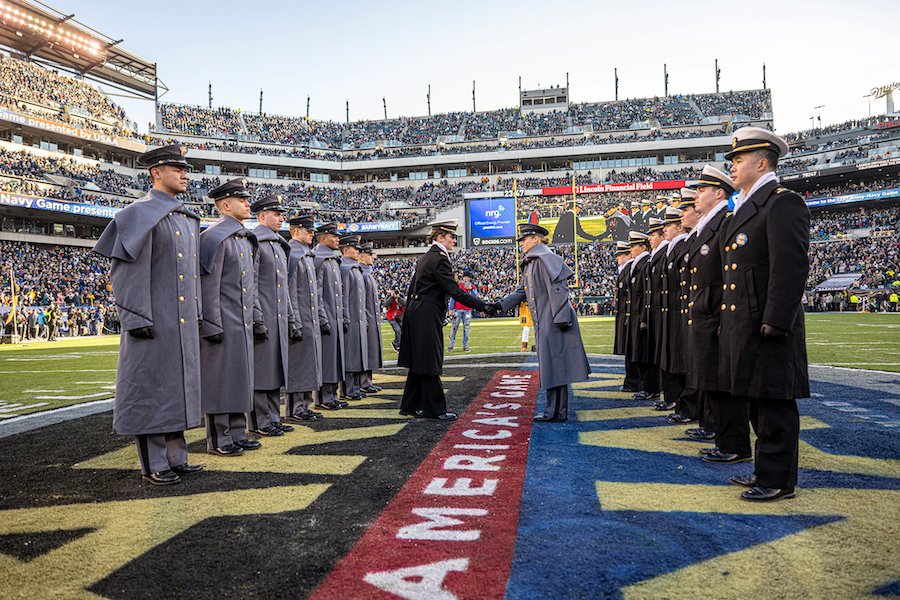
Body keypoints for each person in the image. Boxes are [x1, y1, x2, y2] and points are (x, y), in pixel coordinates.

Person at [92, 144, 203, 486]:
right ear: (156, 172)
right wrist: (137, 317)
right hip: (154, 321)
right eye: (177, 168)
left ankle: (175, 457)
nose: (185, 174)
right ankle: (154, 462)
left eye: (186, 169)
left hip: (180, 322)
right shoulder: (138, 214)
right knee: (151, 390)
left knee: (176, 390)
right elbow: (126, 272)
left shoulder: (183, 217)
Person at [719, 127, 810, 502]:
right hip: (747, 322)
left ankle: (778, 480)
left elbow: (790, 267)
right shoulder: (750, 203)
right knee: (756, 399)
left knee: (773, 403)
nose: (734, 167)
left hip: (767, 324)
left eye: (739, 160)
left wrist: (774, 321)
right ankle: (764, 470)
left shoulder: (781, 202)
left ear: (761, 162)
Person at [493, 223, 591, 422]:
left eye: (524, 239)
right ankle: (553, 411)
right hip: (545, 321)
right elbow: (522, 291)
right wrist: (498, 306)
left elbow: (559, 289)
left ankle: (555, 412)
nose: (521, 244)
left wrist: (561, 319)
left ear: (535, 239)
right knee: (551, 367)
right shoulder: (533, 260)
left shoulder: (546, 258)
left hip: (553, 320)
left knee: (557, 368)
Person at [398, 219, 492, 420]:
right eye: (451, 237)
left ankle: (410, 405)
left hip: (417, 311)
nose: (454, 241)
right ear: (440, 236)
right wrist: (483, 305)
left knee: (419, 360)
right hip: (426, 312)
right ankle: (435, 410)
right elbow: (455, 290)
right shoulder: (439, 258)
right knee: (429, 359)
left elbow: (412, 288)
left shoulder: (427, 256)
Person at [199, 178, 261, 456]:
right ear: (225, 205)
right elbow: (208, 286)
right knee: (219, 381)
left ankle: (237, 432)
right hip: (222, 321)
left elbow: (252, 286)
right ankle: (219, 438)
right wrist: (211, 322)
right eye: (242, 200)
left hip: (242, 321)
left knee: (240, 378)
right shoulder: (213, 237)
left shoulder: (244, 238)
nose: (248, 203)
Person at [249, 195, 297, 436]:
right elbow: (252, 284)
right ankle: (259, 422)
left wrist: (289, 317)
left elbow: (283, 288)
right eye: (276, 214)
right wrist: (257, 317)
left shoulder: (278, 244)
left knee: (275, 370)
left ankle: (273, 418)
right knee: (261, 372)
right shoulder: (256, 241)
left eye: (281, 214)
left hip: (277, 318)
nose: (281, 218)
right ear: (261, 216)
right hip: (264, 318)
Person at [284, 214, 325, 422]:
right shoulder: (292, 254)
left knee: (310, 365)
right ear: (295, 231)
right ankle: (294, 408)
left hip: (310, 320)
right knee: (298, 366)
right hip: (300, 320)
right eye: (308, 230)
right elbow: (289, 291)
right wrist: (294, 321)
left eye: (312, 230)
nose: (312, 234)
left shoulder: (306, 255)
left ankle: (305, 405)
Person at [313, 222, 347, 411]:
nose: (337, 239)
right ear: (323, 238)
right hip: (326, 317)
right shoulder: (319, 258)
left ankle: (332, 395)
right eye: (334, 236)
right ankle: (324, 398)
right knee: (327, 360)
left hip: (335, 317)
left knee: (335, 359)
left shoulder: (332, 259)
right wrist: (322, 318)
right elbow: (316, 292)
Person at [339, 234, 368, 401]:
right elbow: (343, 296)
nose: (358, 251)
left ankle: (355, 388)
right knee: (350, 356)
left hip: (358, 319)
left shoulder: (355, 268)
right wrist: (345, 318)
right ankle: (348, 390)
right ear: (345, 250)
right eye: (354, 249)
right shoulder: (346, 268)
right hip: (350, 320)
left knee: (357, 355)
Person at [613, 241, 639, 392]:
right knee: (629, 350)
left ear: (628, 255)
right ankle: (630, 381)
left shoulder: (630, 268)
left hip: (628, 313)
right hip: (624, 313)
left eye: (620, 255)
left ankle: (632, 381)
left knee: (632, 350)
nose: (617, 258)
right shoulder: (625, 269)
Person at [358, 241, 383, 394]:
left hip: (371, 317)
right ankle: (363, 382)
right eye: (369, 254)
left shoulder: (367, 272)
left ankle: (367, 381)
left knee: (371, 351)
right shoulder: (362, 273)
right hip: (366, 317)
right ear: (361, 256)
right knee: (366, 351)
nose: (372, 257)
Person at [447, 270, 477, 353]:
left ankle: (465, 346)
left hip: (467, 310)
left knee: (466, 329)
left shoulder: (473, 287)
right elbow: (453, 297)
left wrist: (470, 289)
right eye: (465, 277)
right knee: (454, 328)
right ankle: (451, 345)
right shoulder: (458, 286)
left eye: (468, 277)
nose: (466, 279)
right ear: (463, 278)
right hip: (458, 309)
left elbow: (475, 298)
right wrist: (450, 309)